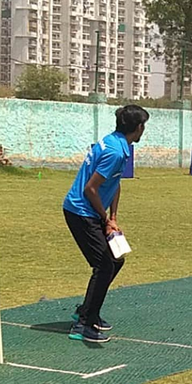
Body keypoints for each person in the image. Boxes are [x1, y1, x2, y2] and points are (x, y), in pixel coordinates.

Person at [62, 105, 149, 342]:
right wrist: (104, 219)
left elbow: (114, 182)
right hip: (81, 211)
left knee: (115, 260)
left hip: (92, 211)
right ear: (137, 127)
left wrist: (113, 218)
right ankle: (83, 324)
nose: (144, 131)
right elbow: (91, 189)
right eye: (144, 126)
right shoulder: (114, 151)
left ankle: (88, 311)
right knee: (104, 265)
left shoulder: (118, 144)